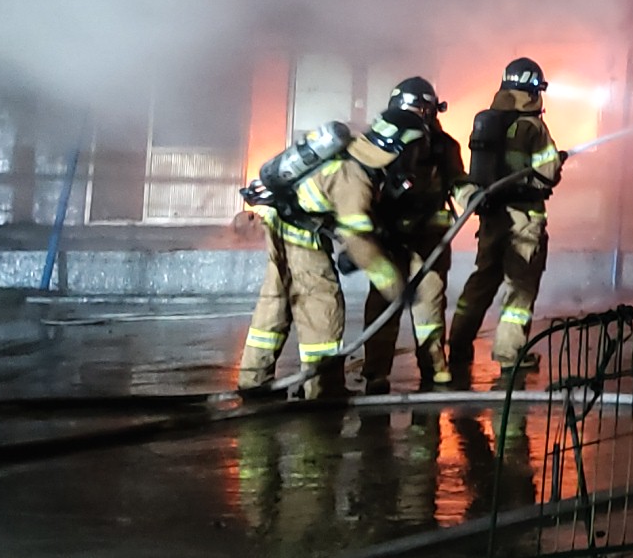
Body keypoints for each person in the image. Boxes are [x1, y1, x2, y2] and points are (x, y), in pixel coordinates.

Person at [236, 107, 425, 399]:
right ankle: (322, 388)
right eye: (414, 151)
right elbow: (358, 238)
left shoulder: (354, 151)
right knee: (322, 306)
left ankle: (254, 380)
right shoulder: (356, 176)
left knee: (276, 302)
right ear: (399, 148)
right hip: (301, 236)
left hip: (278, 221)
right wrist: (395, 286)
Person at [447, 57, 564, 367]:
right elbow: (548, 173)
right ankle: (509, 354)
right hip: (523, 219)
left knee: (483, 280)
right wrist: (557, 161)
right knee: (520, 288)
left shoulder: (488, 121)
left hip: (492, 216)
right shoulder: (532, 126)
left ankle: (458, 344)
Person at [360, 77, 473, 394]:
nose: (419, 117)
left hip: (430, 239)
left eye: (424, 110)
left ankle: (434, 367)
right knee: (383, 304)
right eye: (415, 110)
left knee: (430, 306)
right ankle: (376, 372)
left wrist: (471, 195)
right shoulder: (382, 141)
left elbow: (457, 181)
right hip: (390, 238)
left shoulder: (443, 145)